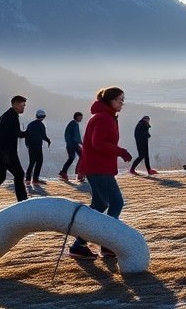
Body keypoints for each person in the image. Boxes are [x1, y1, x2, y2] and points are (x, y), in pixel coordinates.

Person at [67, 86, 133, 260]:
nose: (122, 103)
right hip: (98, 168)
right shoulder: (104, 118)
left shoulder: (105, 116)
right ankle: (83, 245)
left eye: (123, 100)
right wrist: (121, 151)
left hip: (99, 167)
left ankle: (96, 244)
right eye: (120, 100)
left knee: (106, 204)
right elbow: (98, 143)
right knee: (109, 203)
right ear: (110, 101)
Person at [24, 109, 51, 186]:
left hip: (31, 146)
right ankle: (35, 179)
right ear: (43, 117)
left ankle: (28, 180)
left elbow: (26, 134)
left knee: (32, 162)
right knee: (39, 161)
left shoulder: (30, 124)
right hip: (38, 146)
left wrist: (27, 144)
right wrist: (48, 140)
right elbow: (43, 136)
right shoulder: (41, 125)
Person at [59, 111, 83, 182]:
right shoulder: (72, 124)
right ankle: (65, 172)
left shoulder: (75, 124)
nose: (81, 118)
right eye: (80, 117)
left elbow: (76, 136)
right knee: (72, 158)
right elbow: (67, 135)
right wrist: (69, 144)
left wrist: (81, 143)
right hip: (71, 145)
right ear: (76, 117)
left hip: (74, 144)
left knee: (81, 156)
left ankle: (78, 172)